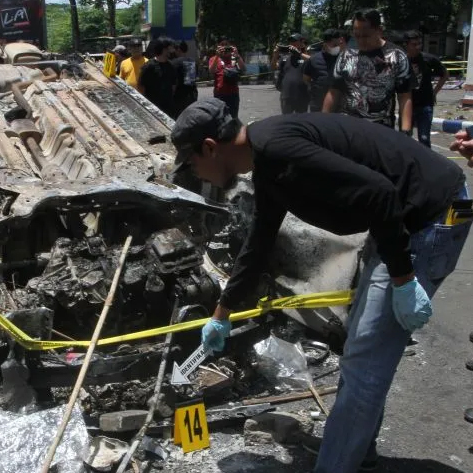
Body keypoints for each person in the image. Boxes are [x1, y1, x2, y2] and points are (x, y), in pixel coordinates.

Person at [171, 98, 469, 473]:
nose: (198, 175)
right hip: (401, 217)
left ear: (210, 148)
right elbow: (259, 241)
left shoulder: (278, 150)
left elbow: (380, 193)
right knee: (361, 346)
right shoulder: (267, 157)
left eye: (194, 164)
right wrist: (221, 313)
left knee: (365, 358)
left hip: (430, 214)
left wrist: (404, 280)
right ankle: (356, 452)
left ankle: (338, 463)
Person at [323, 9, 414, 134]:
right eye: (356, 35)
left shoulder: (397, 56)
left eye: (365, 36)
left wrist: (406, 131)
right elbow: (333, 93)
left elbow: (404, 97)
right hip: (347, 130)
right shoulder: (346, 56)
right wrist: (323, 124)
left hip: (381, 131)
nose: (360, 40)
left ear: (379, 31)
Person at [404, 30, 448, 147]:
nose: (418, 47)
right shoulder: (402, 60)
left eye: (419, 44)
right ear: (407, 45)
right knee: (404, 138)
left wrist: (435, 92)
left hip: (425, 104)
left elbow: (444, 74)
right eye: (414, 44)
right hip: (408, 105)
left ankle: (425, 164)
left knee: (424, 139)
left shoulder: (429, 59)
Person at [304, 29, 343, 112]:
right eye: (334, 44)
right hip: (317, 105)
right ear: (325, 44)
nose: (337, 47)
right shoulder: (314, 59)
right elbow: (306, 79)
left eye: (338, 44)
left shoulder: (343, 58)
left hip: (339, 106)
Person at [138, 37, 177, 118]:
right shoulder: (148, 66)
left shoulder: (171, 66)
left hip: (169, 108)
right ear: (163, 49)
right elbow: (141, 86)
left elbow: (173, 86)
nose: (171, 50)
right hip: (153, 109)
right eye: (169, 48)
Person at [209, 36, 245, 118]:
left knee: (233, 118)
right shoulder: (214, 59)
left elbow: (243, 68)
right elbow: (211, 71)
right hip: (219, 94)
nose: (224, 47)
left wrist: (237, 55)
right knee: (220, 118)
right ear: (218, 46)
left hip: (233, 94)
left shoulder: (234, 57)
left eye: (226, 45)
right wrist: (217, 56)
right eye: (222, 45)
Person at [171, 41, 198, 117]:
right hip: (192, 96)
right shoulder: (192, 61)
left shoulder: (174, 63)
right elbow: (191, 80)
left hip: (179, 97)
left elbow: (174, 83)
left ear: (178, 49)